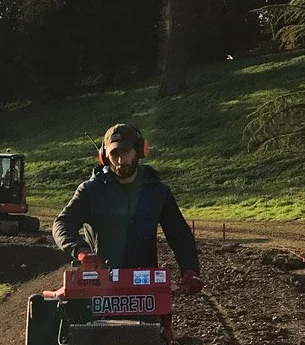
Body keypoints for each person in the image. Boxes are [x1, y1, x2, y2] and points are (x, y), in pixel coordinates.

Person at [52, 122, 203, 291]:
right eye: (114, 154)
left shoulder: (158, 192)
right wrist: (82, 251)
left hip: (144, 284)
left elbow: (179, 234)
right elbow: (62, 224)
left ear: (139, 150)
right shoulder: (90, 191)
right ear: (104, 156)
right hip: (99, 284)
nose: (120, 160)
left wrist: (190, 270)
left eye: (125, 152)